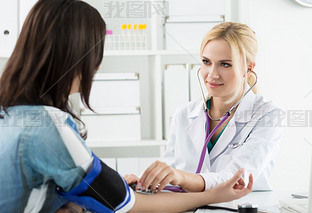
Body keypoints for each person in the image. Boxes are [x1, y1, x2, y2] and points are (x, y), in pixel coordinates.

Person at [0, 1, 253, 212]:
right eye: (97, 53)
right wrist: (211, 196)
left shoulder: (9, 115)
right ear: (76, 57)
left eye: (226, 64)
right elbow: (127, 205)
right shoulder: (50, 127)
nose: (97, 67)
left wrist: (103, 189)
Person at [125, 22, 283, 193]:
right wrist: (144, 181)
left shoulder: (267, 115)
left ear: (248, 67)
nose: (212, 74)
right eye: (206, 62)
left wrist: (181, 177)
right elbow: (169, 174)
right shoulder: (184, 115)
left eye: (225, 64)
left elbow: (236, 179)